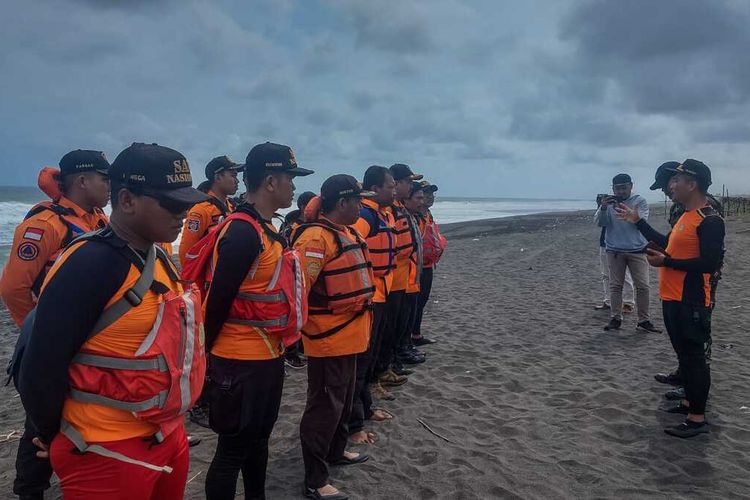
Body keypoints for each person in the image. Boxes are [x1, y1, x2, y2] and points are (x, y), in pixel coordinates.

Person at [17, 142, 208, 499]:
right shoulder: (90, 264)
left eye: (187, 203)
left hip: (165, 436)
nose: (182, 213)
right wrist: (49, 431)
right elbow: (41, 366)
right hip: (105, 447)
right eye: (172, 203)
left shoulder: (159, 257)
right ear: (126, 200)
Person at [196, 142, 312, 500]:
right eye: (290, 178)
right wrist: (205, 364)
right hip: (238, 362)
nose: (294, 186)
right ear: (271, 182)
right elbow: (216, 304)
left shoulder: (265, 227)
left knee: (259, 441)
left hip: (266, 357)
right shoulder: (244, 232)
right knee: (232, 451)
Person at [0, 150, 110, 500]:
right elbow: (14, 288)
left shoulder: (99, 222)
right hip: (54, 344)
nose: (110, 186)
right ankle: (30, 490)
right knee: (42, 422)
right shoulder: (45, 225)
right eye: (104, 179)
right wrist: (39, 334)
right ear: (81, 181)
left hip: (89, 345)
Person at [617, 160, 725, 438]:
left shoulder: (709, 219)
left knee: (695, 359)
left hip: (691, 300)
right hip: (672, 297)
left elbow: (709, 264)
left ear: (694, 183)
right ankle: (689, 402)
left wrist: (668, 262)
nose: (671, 186)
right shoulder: (686, 217)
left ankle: (697, 419)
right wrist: (638, 222)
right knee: (685, 357)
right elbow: (666, 245)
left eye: (677, 180)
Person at [292, 174, 374, 500]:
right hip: (328, 340)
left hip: (351, 337)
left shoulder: (346, 233)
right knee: (323, 408)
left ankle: (337, 451)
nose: (361, 205)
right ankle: (314, 479)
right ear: (342, 202)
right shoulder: (314, 240)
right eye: (358, 200)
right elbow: (298, 292)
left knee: (342, 403)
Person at [348, 166, 398, 442]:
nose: (393, 191)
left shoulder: (376, 213)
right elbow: (350, 253)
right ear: (375, 189)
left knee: (368, 358)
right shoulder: (365, 217)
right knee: (362, 362)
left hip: (379, 292)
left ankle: (365, 409)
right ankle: (357, 420)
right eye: (390, 186)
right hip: (369, 297)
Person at [596, 174, 660, 333]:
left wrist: (629, 212)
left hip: (637, 250)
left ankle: (644, 320)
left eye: (624, 187)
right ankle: (615, 318)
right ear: (613, 189)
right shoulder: (608, 203)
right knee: (615, 286)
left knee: (643, 286)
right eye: (617, 188)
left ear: (631, 186)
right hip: (614, 250)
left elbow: (640, 222)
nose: (621, 191)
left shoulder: (640, 201)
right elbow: (599, 223)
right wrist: (603, 208)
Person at [386, 164, 425, 375]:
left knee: (400, 324)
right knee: (389, 329)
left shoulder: (399, 210)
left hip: (405, 280)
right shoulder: (389, 212)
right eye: (408, 182)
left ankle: (394, 359)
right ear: (396, 183)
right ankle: (388, 365)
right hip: (392, 283)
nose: (410, 186)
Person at [177, 155, 242, 266]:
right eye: (233, 176)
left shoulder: (232, 207)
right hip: (208, 280)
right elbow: (186, 254)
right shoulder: (201, 210)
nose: (237, 181)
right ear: (218, 178)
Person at [412, 180, 444, 345]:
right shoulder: (414, 216)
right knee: (413, 303)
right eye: (426, 194)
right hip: (415, 267)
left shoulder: (427, 215)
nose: (430, 197)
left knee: (422, 301)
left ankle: (416, 335)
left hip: (427, 265)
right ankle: (409, 337)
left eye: (432, 194)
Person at [593, 195, 635, 313]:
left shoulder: (621, 206)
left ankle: (628, 302)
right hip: (605, 243)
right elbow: (598, 222)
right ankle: (608, 301)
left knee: (624, 274)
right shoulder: (604, 208)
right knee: (606, 274)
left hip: (619, 244)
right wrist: (602, 207)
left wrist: (615, 205)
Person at [399, 182, 426, 360]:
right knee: (397, 325)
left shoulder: (413, 216)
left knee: (408, 318)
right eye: (419, 197)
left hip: (411, 278)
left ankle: (405, 347)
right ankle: (399, 353)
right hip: (397, 283)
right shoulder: (398, 216)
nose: (422, 201)